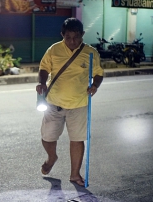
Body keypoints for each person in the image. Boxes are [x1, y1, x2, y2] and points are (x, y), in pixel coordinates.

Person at [35, 18, 104, 187]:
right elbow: (44, 68)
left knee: (77, 139)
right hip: (54, 103)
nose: (72, 41)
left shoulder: (90, 52)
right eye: (68, 37)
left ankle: (74, 174)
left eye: (76, 37)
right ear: (62, 35)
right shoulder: (54, 49)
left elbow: (98, 73)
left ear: (82, 35)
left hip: (79, 104)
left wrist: (95, 85)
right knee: (47, 137)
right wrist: (42, 82)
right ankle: (52, 157)